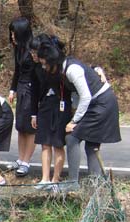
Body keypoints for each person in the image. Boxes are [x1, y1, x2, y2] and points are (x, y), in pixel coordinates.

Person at [37, 44, 121, 188]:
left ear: (52, 62)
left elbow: (86, 96)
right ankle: (96, 183)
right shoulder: (64, 69)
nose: (43, 68)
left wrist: (74, 121)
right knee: (91, 145)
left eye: (44, 64)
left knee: (72, 137)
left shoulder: (71, 70)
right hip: (98, 103)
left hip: (102, 104)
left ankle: (73, 182)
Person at [30, 34, 71, 189]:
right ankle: (45, 178)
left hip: (61, 106)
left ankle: (55, 179)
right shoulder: (36, 68)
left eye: (36, 52)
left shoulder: (61, 65)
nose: (34, 56)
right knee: (45, 143)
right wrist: (33, 113)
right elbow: (34, 91)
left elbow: (79, 71)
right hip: (45, 106)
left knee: (57, 143)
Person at [7, 17, 37, 177]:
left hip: (32, 90)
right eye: (11, 33)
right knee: (20, 126)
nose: (12, 37)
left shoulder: (33, 49)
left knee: (30, 127)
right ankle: (20, 158)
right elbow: (17, 71)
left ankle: (26, 161)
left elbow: (38, 74)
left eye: (14, 33)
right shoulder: (18, 48)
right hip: (21, 87)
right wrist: (13, 90)